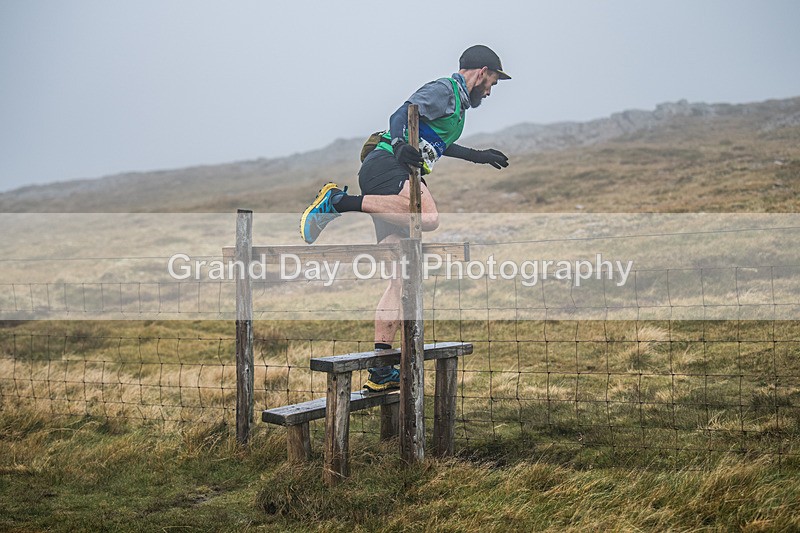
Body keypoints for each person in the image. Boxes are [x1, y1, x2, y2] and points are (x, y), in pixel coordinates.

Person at [300, 44, 511, 392]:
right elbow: (403, 113)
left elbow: (437, 144)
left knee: (400, 277)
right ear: (481, 71)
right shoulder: (447, 90)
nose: (490, 90)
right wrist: (400, 145)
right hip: (389, 166)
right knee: (428, 218)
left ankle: (381, 369)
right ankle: (338, 202)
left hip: (388, 177)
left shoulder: (458, 108)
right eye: (492, 82)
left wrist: (477, 156)